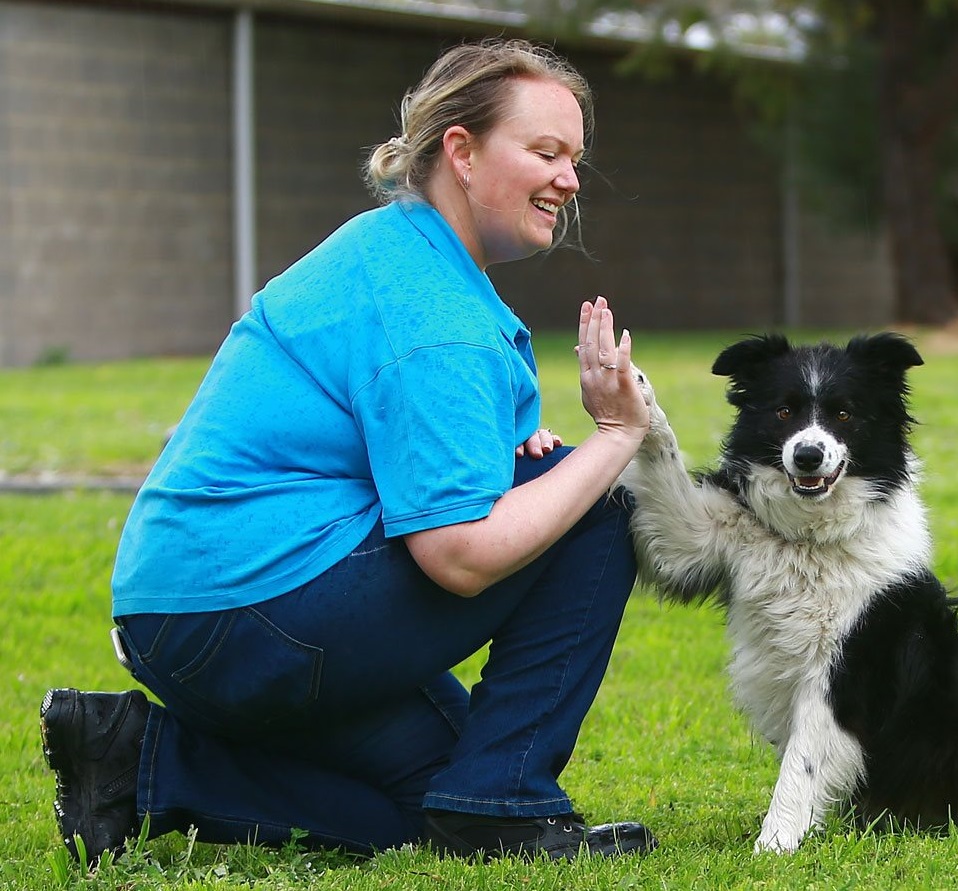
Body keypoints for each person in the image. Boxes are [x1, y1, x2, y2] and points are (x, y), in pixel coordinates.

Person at [40, 38, 656, 865]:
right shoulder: (430, 309)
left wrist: (525, 455)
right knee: (601, 508)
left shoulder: (400, 253)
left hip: (193, 610)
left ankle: (136, 763)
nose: (570, 178)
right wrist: (615, 439)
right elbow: (460, 555)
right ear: (461, 153)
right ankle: (505, 801)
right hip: (249, 607)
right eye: (546, 151)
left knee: (431, 804)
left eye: (574, 157)